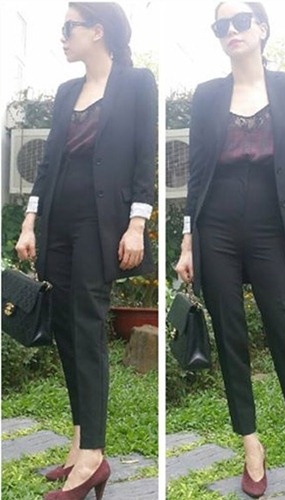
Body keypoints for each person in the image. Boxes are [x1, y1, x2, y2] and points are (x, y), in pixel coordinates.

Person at [174, 2, 285, 498]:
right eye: (222, 25)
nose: (232, 30)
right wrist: (188, 241)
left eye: (241, 21)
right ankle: (251, 444)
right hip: (215, 229)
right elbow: (197, 173)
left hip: (271, 230)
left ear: (261, 28)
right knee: (231, 338)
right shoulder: (207, 95)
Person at [15, 3, 157, 499]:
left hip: (101, 227)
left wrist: (137, 224)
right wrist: (30, 221)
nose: (62, 37)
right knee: (63, 329)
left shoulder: (137, 83)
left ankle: (94, 455)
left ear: (97, 31)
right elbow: (48, 163)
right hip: (58, 222)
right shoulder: (65, 92)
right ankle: (79, 444)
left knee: (87, 328)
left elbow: (144, 157)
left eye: (68, 28)